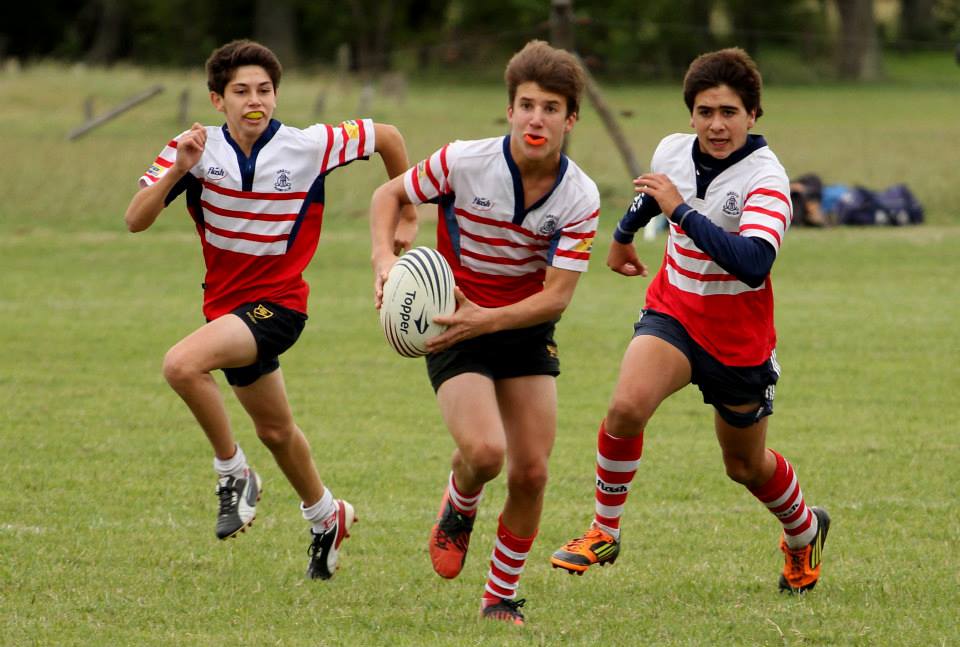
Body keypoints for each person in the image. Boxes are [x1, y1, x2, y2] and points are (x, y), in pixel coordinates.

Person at [124, 39, 416, 579]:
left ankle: (233, 473)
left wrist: (405, 213)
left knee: (181, 365)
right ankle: (327, 514)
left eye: (264, 90)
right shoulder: (193, 148)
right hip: (227, 312)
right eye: (240, 91)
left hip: (279, 307)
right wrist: (177, 171)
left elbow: (389, 138)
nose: (253, 100)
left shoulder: (308, 145)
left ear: (276, 95)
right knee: (277, 432)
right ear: (217, 100)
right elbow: (135, 219)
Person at [550, 48, 831, 594]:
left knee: (745, 466)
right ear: (691, 115)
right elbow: (653, 194)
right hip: (674, 310)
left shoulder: (767, 180)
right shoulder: (674, 151)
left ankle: (804, 531)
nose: (716, 125)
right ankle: (604, 530)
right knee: (626, 407)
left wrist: (681, 210)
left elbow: (753, 263)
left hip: (738, 340)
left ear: (753, 116)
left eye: (729, 112)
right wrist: (623, 237)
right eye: (705, 112)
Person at [369, 40, 600, 625]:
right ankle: (462, 495)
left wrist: (491, 318)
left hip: (523, 327)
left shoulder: (580, 196)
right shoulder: (464, 161)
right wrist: (382, 263)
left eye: (551, 108)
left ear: (570, 119)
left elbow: (556, 298)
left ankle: (499, 596)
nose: (536, 118)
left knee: (532, 471)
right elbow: (388, 193)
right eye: (526, 104)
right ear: (509, 110)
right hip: (453, 324)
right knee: (486, 453)